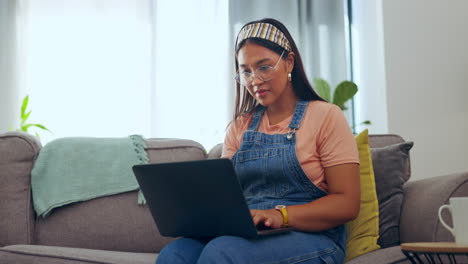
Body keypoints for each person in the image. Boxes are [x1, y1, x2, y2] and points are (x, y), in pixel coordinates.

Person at [156, 18, 360, 264]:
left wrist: (280, 215)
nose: (254, 80)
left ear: (289, 62)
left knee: (222, 252)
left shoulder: (325, 116)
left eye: (264, 67)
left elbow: (347, 203)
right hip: (250, 234)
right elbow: (226, 200)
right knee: (174, 255)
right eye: (245, 71)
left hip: (314, 238)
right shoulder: (238, 127)